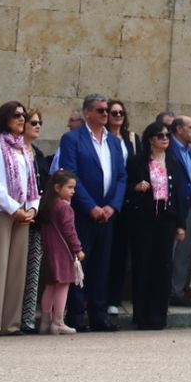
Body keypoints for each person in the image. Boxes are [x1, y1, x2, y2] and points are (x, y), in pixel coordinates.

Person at [55, 94, 125, 330]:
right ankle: (76, 314)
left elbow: (121, 176)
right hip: (82, 212)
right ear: (87, 113)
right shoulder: (72, 139)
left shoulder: (113, 141)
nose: (106, 114)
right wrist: (90, 206)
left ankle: (98, 313)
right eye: (101, 110)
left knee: (102, 264)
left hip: (107, 213)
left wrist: (112, 206)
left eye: (107, 110)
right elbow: (71, 174)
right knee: (79, 264)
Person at [0, 100, 38, 335]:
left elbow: (32, 183)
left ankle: (11, 323)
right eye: (16, 115)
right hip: (1, 210)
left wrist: (32, 209)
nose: (22, 119)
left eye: (23, 115)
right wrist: (14, 208)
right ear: (5, 119)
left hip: (23, 211)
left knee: (16, 268)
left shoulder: (24, 148)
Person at [126, 121, 189, 329]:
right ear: (151, 139)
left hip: (166, 219)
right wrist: (136, 188)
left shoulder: (173, 162)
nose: (165, 139)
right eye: (160, 136)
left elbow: (179, 194)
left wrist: (181, 224)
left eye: (167, 136)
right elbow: (126, 186)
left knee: (163, 266)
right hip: (143, 219)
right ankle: (142, 315)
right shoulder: (137, 161)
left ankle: (158, 315)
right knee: (142, 264)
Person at [36, 170, 84, 335]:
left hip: (49, 250)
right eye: (69, 187)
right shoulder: (64, 207)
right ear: (57, 187)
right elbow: (69, 231)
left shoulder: (48, 205)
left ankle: (45, 321)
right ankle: (58, 321)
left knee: (50, 286)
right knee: (63, 284)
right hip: (63, 252)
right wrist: (77, 249)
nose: (73, 191)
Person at [104, 98, 138, 317]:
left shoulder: (131, 139)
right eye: (113, 113)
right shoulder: (102, 137)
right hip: (107, 201)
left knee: (119, 252)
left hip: (127, 202)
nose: (117, 116)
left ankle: (113, 298)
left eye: (120, 113)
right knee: (103, 252)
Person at [19, 107, 51, 333]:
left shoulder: (38, 154)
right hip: (17, 214)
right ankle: (11, 315)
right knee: (16, 267)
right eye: (33, 123)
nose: (37, 126)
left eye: (40, 123)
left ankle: (28, 318)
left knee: (33, 268)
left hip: (36, 216)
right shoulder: (15, 150)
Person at [167, 115, 191, 304]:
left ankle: (177, 292)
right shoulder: (168, 150)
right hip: (172, 210)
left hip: (188, 209)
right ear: (179, 129)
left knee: (183, 253)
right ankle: (163, 291)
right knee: (168, 253)